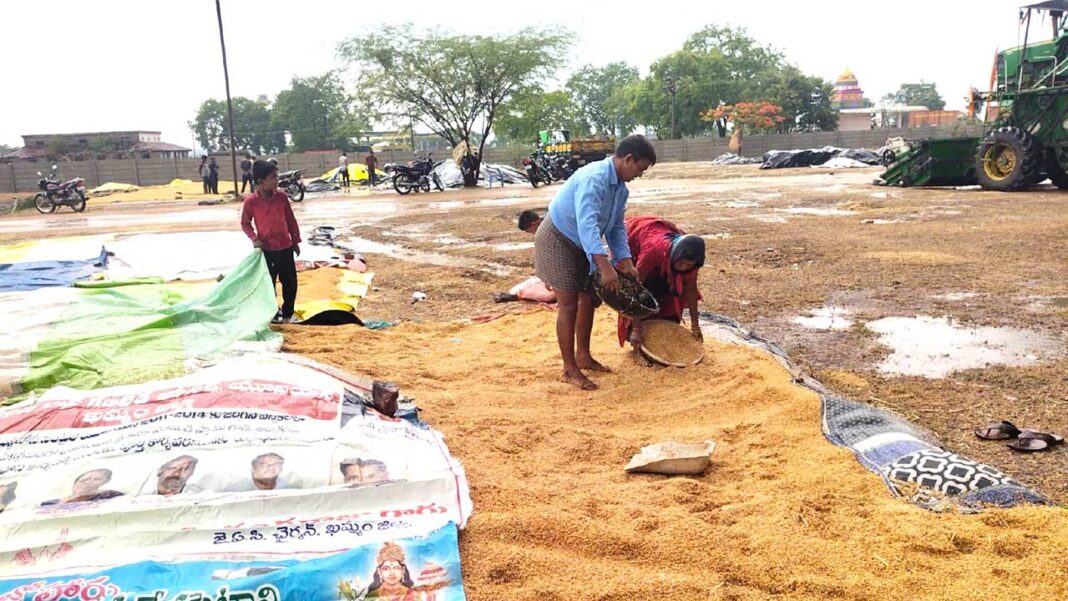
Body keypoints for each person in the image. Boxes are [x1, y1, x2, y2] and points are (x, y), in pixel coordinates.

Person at [533, 134, 656, 390]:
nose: (640, 174)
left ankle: (583, 356)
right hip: (558, 237)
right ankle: (569, 369)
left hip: (582, 242)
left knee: (588, 299)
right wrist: (604, 266)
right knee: (569, 304)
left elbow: (616, 228)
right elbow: (586, 224)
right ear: (628, 159)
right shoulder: (595, 178)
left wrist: (625, 261)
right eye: (640, 168)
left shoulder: (621, 189)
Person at [616, 215, 706, 350]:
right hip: (638, 250)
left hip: (666, 260)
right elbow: (635, 286)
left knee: (670, 298)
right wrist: (636, 328)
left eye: (688, 265)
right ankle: (634, 329)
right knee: (643, 292)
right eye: (681, 263)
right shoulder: (653, 250)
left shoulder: (694, 259)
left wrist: (695, 325)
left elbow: (690, 289)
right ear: (676, 255)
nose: (683, 267)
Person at [240, 159, 302, 324]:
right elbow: (245, 224)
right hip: (266, 250)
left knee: (290, 282)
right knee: (268, 284)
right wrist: (255, 239)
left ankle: (288, 313)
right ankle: (273, 312)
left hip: (285, 247)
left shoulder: (281, 197)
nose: (277, 180)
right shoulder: (251, 202)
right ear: (261, 181)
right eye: (274, 177)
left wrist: (295, 240)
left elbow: (290, 219)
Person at [41, 468, 124, 506]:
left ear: (104, 483)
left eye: (96, 479)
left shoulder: (111, 496)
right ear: (75, 483)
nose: (88, 482)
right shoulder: (49, 504)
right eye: (84, 479)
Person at [227, 452, 292, 491]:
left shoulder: (290, 491)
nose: (270, 467)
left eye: (276, 464)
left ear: (281, 469)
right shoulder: (235, 491)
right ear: (253, 468)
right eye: (263, 464)